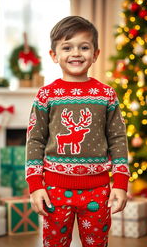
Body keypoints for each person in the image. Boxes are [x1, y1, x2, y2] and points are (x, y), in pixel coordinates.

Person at [25, 16, 130, 247]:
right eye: (67, 47)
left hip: (98, 190)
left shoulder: (106, 95)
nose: (76, 53)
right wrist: (36, 185)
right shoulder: (46, 96)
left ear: (95, 54)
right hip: (54, 191)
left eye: (84, 47)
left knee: (97, 243)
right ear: (54, 55)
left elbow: (118, 139)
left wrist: (121, 183)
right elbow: (35, 140)